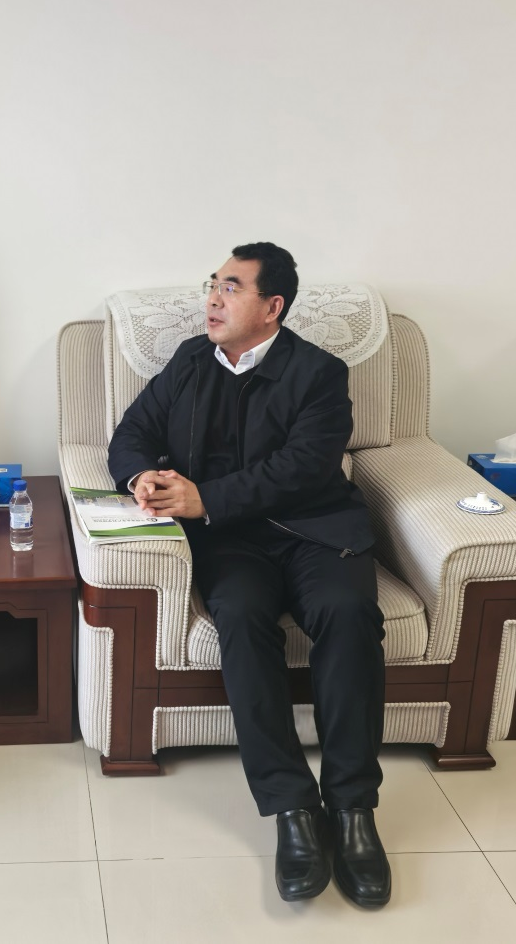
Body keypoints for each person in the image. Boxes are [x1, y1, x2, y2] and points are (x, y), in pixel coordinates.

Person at [108, 242, 391, 907]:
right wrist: (139, 475)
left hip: (316, 531)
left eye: (230, 287)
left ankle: (352, 808)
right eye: (212, 284)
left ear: (272, 307)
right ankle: (292, 808)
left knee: (349, 615)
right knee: (238, 616)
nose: (212, 298)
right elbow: (130, 433)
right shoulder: (188, 361)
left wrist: (204, 497)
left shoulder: (319, 373)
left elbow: (304, 467)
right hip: (232, 543)